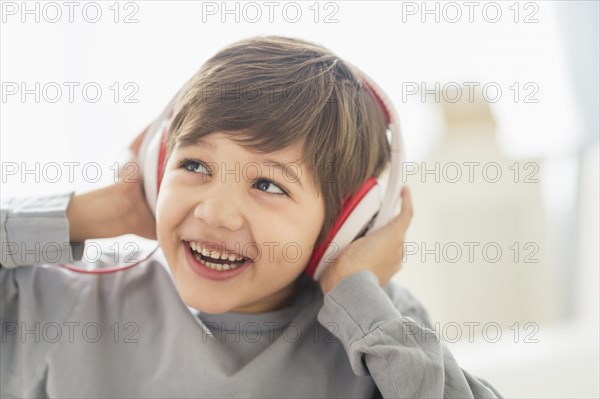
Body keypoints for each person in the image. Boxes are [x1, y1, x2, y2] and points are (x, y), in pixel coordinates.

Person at [0, 36, 503, 398]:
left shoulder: (376, 329)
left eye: (267, 184)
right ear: (158, 170)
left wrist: (358, 295)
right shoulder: (71, 300)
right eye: (193, 164)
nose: (215, 211)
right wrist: (91, 213)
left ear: (343, 226)